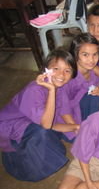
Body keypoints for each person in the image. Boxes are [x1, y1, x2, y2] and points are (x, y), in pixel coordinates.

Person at [0, 49, 77, 181]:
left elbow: (64, 113)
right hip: (11, 128)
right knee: (42, 131)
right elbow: (46, 125)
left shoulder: (62, 88)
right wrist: (51, 90)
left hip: (33, 123)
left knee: (60, 130)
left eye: (67, 70)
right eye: (56, 68)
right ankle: (20, 164)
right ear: (46, 70)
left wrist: (78, 128)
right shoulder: (34, 89)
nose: (61, 75)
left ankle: (43, 153)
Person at [61, 33, 99, 128]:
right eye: (85, 55)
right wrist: (75, 128)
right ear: (75, 55)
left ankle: (92, 129)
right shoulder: (67, 76)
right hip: (68, 118)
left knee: (97, 98)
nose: (91, 60)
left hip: (84, 111)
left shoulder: (93, 73)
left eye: (95, 54)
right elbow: (63, 108)